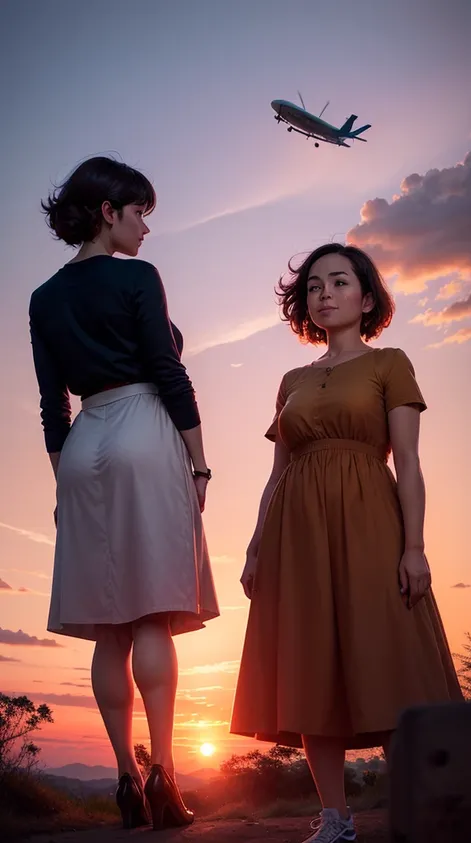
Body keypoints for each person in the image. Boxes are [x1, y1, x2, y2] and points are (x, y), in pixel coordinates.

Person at [230, 243, 463, 843]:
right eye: (313, 286)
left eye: (339, 282)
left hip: (370, 522)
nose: (325, 293)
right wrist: (256, 546)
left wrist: (415, 547)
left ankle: (439, 805)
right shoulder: (291, 381)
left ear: (366, 297)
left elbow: (408, 462)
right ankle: (335, 819)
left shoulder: (390, 363)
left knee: (388, 653)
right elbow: (277, 472)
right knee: (310, 667)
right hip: (296, 537)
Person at [29, 156, 219, 831]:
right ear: (108, 211)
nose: (145, 227)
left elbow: (53, 405)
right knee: (152, 617)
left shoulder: (43, 297)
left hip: (83, 445)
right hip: (144, 428)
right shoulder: (138, 277)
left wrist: (64, 480)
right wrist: (198, 464)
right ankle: (165, 773)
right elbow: (169, 372)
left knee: (107, 628)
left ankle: (124, 781)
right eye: (139, 212)